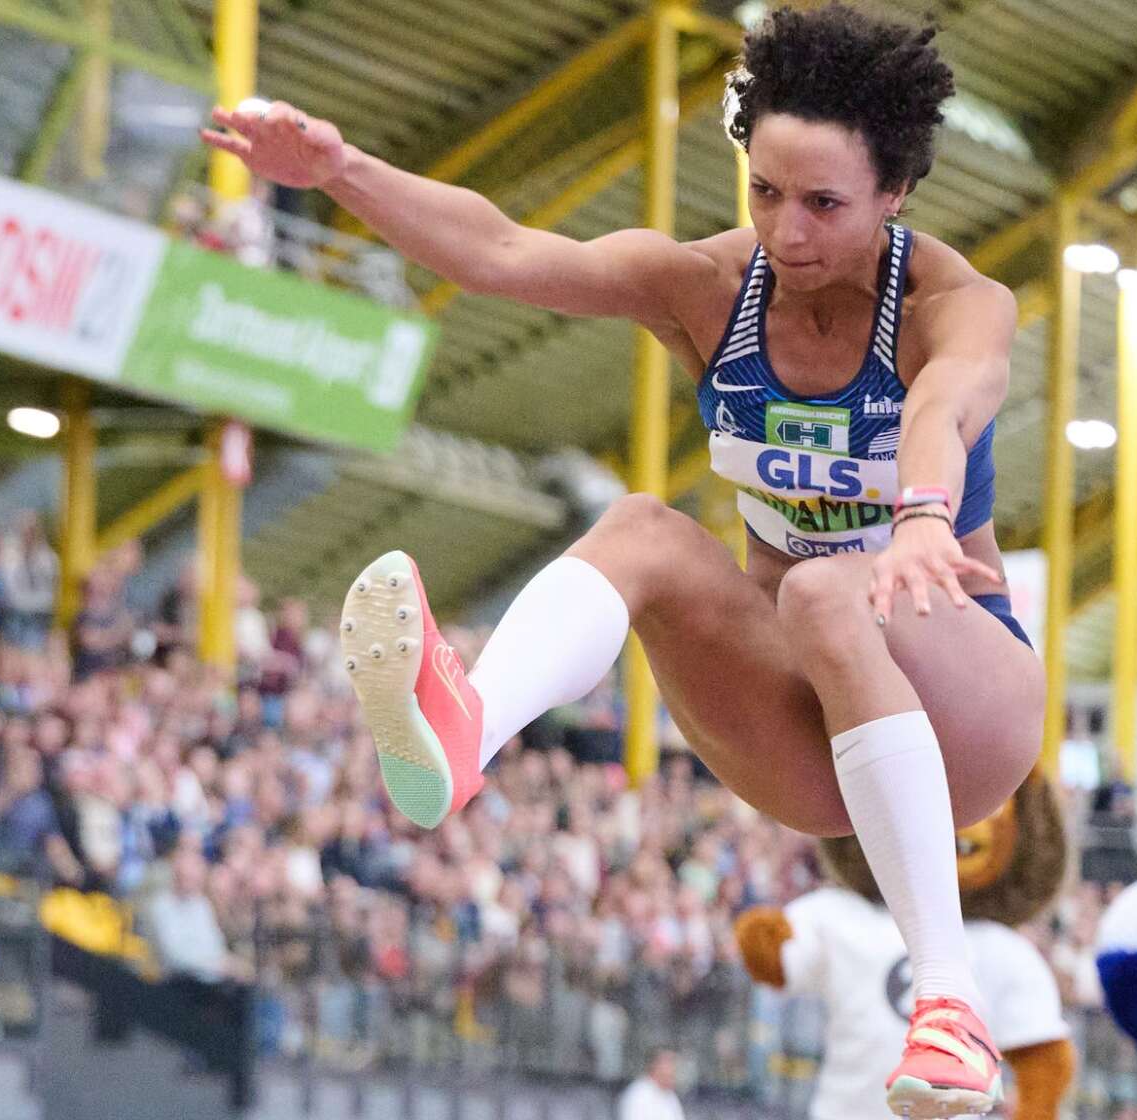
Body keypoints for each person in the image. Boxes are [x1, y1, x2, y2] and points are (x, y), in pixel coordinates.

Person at [204, 6, 1035, 1114]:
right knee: (644, 526)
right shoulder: (709, 288)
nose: (787, 232)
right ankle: (465, 734)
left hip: (963, 706)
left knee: (833, 586)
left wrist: (924, 514)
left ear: (897, 196)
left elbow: (948, 399)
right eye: (766, 192)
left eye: (825, 204)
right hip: (806, 721)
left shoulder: (952, 303)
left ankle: (950, 1005)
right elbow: (506, 252)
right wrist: (343, 169)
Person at [617, 1049, 686, 1120]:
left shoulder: (670, 1095)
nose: (674, 1069)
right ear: (655, 1066)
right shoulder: (638, 1094)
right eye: (670, 1063)